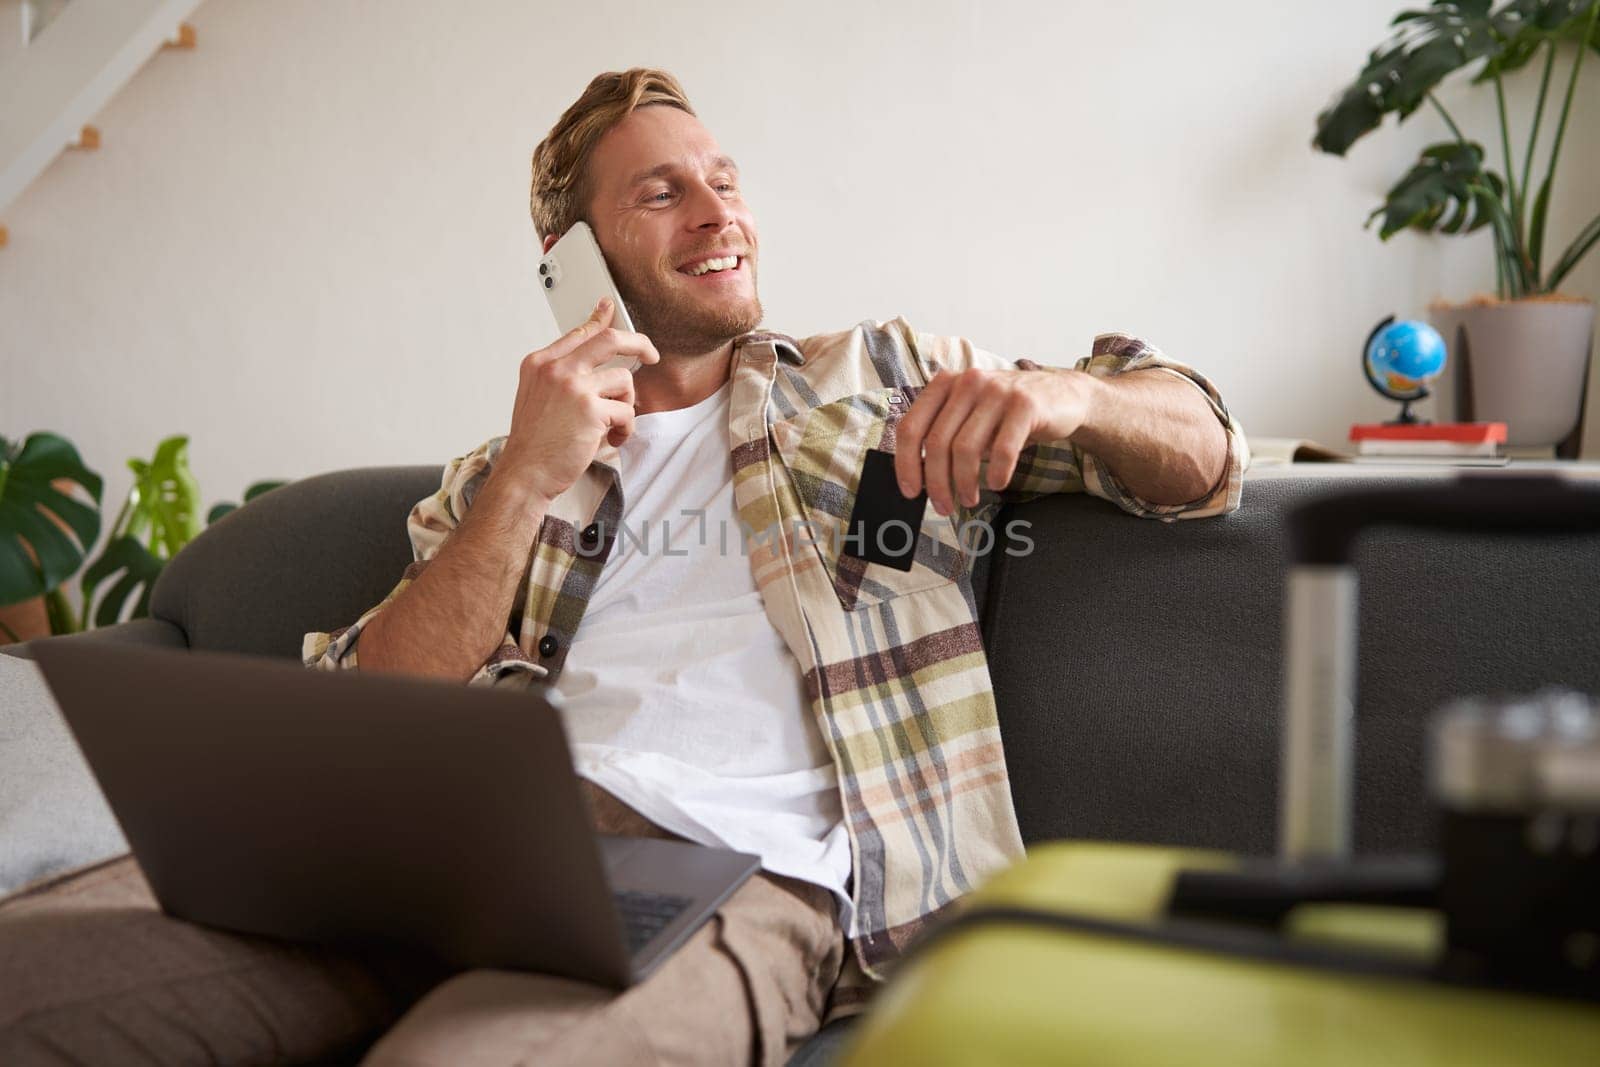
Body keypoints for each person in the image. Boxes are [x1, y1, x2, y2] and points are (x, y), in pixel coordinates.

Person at [0, 68, 1246, 1066]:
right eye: (661, 195)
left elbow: (1202, 457)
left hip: (732, 868)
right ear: (570, 258)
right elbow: (366, 707)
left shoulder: (882, 379)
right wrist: (527, 485)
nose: (719, 215)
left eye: (724, 181)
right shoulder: (497, 472)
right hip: (436, 845)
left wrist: (1067, 392)